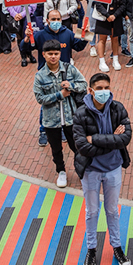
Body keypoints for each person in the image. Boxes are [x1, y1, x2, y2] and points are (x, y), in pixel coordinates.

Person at [74, 73, 133, 265]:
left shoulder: (118, 108)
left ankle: (116, 247)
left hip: (114, 169)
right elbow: (82, 147)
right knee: (91, 212)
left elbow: (125, 138)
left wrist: (95, 139)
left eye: (106, 87)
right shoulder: (80, 114)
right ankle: (91, 249)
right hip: (91, 171)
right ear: (90, 90)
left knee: (112, 211)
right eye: (99, 88)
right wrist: (110, 140)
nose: (103, 92)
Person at [33, 41, 88, 188]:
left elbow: (84, 84)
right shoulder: (40, 76)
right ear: (44, 55)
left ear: (60, 54)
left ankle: (82, 170)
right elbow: (40, 99)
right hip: (51, 120)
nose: (53, 57)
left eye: (56, 54)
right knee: (56, 148)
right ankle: (61, 171)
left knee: (76, 147)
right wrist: (60, 95)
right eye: (50, 54)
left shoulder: (69, 69)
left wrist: (72, 86)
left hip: (71, 118)